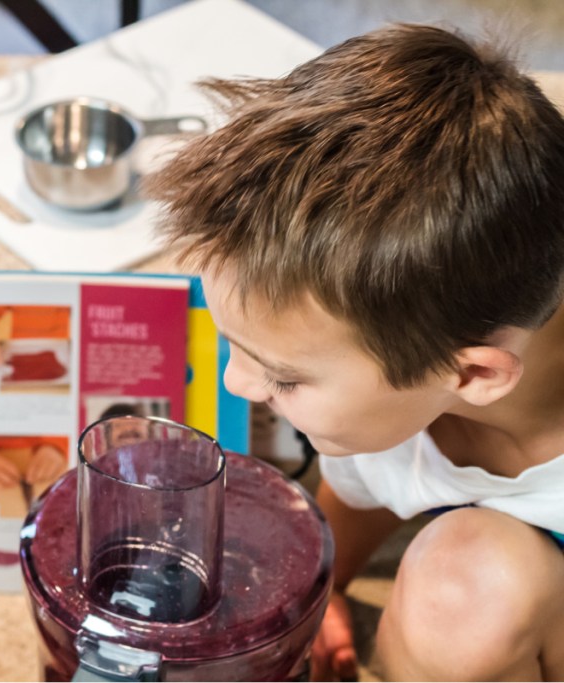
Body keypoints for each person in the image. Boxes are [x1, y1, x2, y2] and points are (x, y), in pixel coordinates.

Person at [145, 23, 564, 682]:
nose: (237, 383)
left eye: (282, 374)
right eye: (236, 344)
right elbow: (363, 479)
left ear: (474, 373)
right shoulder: (409, 364)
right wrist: (325, 587)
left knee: (464, 600)